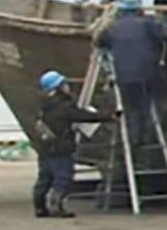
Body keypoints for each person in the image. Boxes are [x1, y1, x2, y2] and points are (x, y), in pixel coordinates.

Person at [33, 70, 116, 218]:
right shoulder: (64, 106)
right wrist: (108, 116)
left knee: (44, 178)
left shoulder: (44, 106)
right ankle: (56, 205)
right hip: (61, 149)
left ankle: (39, 206)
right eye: (63, 84)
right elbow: (84, 116)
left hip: (45, 149)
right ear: (58, 87)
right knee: (63, 178)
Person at [96, 0, 166, 148]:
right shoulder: (148, 24)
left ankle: (135, 139)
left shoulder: (114, 28)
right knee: (147, 105)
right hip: (148, 75)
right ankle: (149, 138)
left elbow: (100, 40)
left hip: (124, 76)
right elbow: (163, 35)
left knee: (132, 107)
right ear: (139, 9)